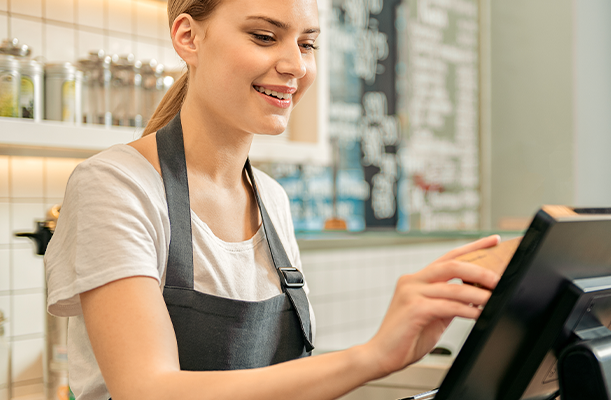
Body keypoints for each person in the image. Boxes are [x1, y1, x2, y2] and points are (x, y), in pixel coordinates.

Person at [43, 0, 501, 399]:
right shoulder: (116, 186)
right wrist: (374, 356)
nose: (296, 66)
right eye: (264, 36)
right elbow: (150, 391)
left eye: (307, 44)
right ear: (188, 37)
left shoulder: (272, 200)